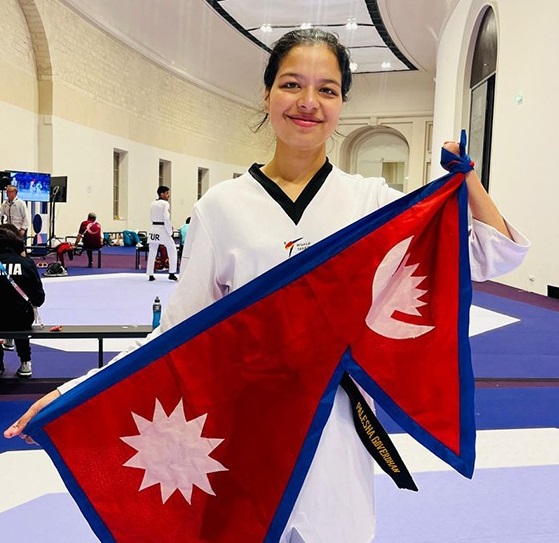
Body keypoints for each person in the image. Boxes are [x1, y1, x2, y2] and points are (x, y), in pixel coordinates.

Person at [4, 29, 529, 541]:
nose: (308, 102)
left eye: (327, 89)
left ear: (342, 104)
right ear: (267, 93)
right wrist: (74, 393)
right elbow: (177, 334)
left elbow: (492, 252)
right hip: (243, 429)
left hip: (334, 428)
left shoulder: (371, 203)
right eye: (291, 84)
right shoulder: (221, 208)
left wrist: (466, 179)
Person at [0, 224, 45, 377]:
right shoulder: (27, 263)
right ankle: (26, 362)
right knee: (21, 316)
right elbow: (39, 298)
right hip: (22, 317)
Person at [146, 185, 178, 281]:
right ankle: (172, 273)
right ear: (162, 194)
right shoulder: (165, 204)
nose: (168, 195)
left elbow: (151, 217)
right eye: (167, 193)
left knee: (152, 251)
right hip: (162, 228)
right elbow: (166, 218)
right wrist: (170, 231)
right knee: (172, 249)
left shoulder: (153, 204)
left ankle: (150, 274)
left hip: (153, 228)